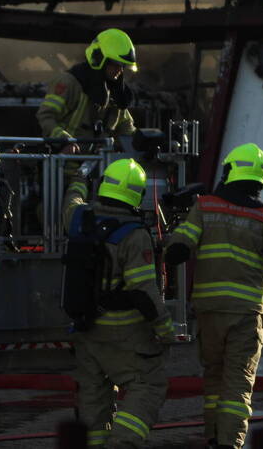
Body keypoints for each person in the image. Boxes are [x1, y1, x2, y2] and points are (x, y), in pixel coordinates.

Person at [164, 143, 263, 449]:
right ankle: (229, 444)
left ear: (230, 171)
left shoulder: (205, 207)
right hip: (246, 313)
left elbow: (179, 249)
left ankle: (212, 437)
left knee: (213, 375)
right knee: (238, 380)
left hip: (210, 310)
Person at [64, 158, 175, 448]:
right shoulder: (134, 235)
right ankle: (122, 444)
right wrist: (165, 329)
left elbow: (71, 200)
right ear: (136, 194)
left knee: (94, 396)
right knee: (148, 385)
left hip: (86, 328)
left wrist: (79, 178)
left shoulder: (78, 219)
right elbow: (143, 291)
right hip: (124, 332)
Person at [36, 28, 137, 158]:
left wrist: (147, 142)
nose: (120, 70)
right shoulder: (69, 83)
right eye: (115, 64)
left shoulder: (115, 94)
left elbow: (127, 130)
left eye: (123, 66)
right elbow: (46, 117)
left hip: (97, 168)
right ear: (99, 58)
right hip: (62, 167)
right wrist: (64, 141)